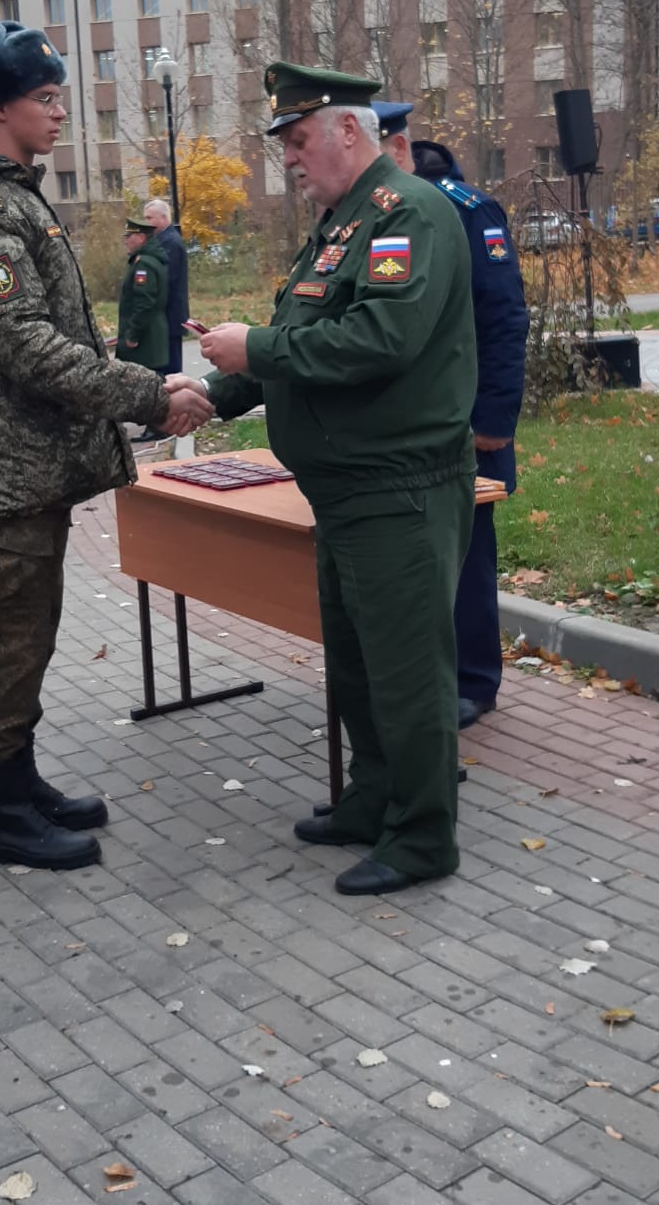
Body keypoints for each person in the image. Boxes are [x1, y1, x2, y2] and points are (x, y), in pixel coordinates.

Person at [0, 19, 211, 873]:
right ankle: (6, 813)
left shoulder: (8, 197)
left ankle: (22, 782)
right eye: (46, 98)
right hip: (6, 474)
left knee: (30, 631)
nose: (59, 113)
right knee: (10, 639)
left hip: (28, 467)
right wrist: (149, 394)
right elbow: (27, 345)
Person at [199, 62, 477, 897]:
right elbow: (301, 342)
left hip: (398, 486)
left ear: (348, 131)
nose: (287, 157)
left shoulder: (407, 214)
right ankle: (374, 799)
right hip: (348, 489)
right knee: (359, 664)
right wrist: (211, 391)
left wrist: (253, 348)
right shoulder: (339, 226)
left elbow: (379, 340)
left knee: (406, 670)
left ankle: (422, 835)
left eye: (297, 138)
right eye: (284, 141)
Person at [373, 104, 531, 729]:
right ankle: (428, 674)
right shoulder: (383, 214)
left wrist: (494, 419)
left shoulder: (468, 210)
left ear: (399, 150)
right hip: (408, 428)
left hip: (467, 423)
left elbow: (503, 318)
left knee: (466, 556)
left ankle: (474, 681)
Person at [116, 215, 170, 443]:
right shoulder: (148, 259)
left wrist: (133, 334)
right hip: (150, 330)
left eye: (128, 236)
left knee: (149, 381)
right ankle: (156, 424)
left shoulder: (144, 264)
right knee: (152, 380)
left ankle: (157, 426)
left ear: (140, 237)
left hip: (147, 334)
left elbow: (144, 302)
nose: (125, 240)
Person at [143, 197, 189, 376]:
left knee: (170, 372)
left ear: (163, 218)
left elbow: (164, 279)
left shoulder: (170, 243)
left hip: (169, 318)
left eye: (149, 218)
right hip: (163, 319)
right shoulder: (160, 241)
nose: (146, 223)